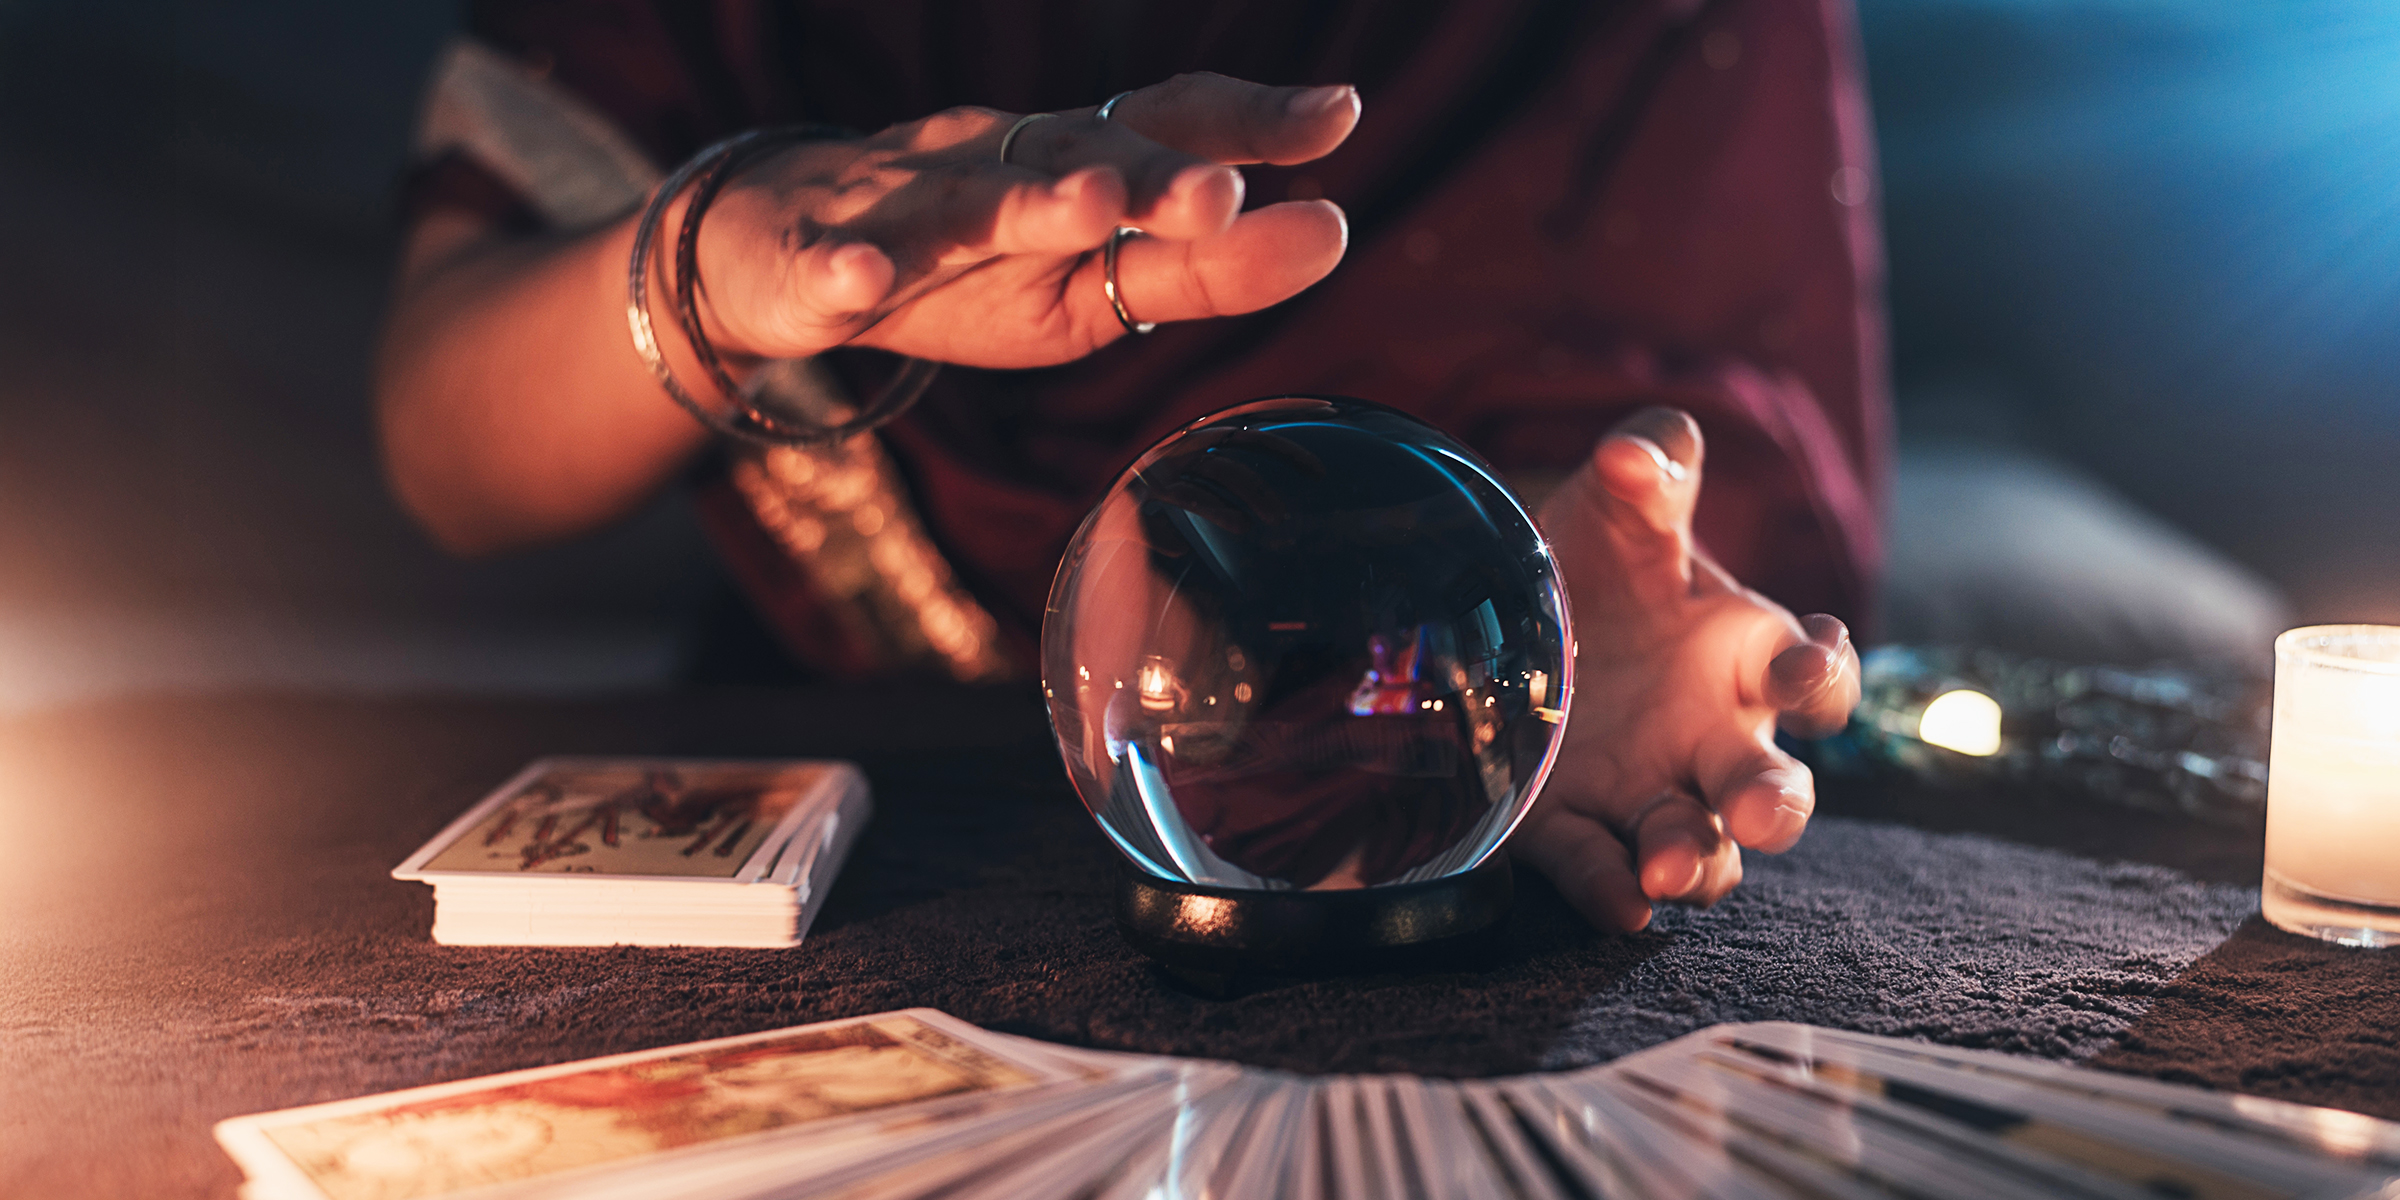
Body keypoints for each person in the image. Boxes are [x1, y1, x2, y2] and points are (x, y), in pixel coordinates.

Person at [378, 0, 1878, 935]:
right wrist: (715, 265)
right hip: (853, 771)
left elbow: (1712, 411)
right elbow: (450, 458)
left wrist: (1576, 609)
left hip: (1412, 761)